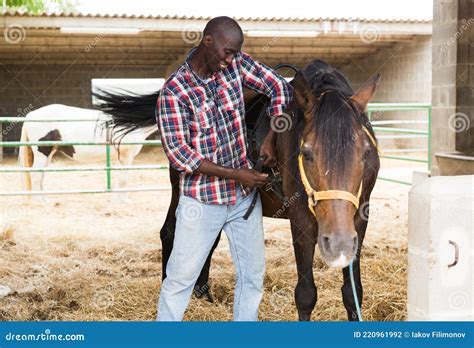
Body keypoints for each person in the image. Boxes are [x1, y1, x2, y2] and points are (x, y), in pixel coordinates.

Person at [156, 16, 293, 321]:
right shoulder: (175, 91)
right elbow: (181, 156)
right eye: (227, 52)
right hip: (202, 203)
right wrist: (235, 174)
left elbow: (279, 86)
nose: (230, 59)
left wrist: (272, 133)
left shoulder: (235, 65)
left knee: (252, 276)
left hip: (243, 199)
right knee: (180, 280)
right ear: (207, 41)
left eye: (235, 53)